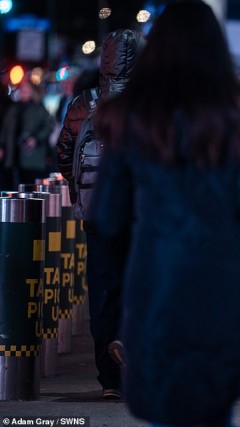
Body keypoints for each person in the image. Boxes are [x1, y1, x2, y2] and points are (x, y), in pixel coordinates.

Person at [90, 1, 240, 426]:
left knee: (162, 401)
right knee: (215, 404)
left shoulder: (130, 116)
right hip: (222, 278)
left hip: (155, 277)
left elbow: (105, 217)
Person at [56, 29, 144, 400]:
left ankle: (109, 380)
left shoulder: (84, 104)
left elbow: (64, 157)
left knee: (104, 292)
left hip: (99, 214)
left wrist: (82, 193)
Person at [0, 79, 53, 189]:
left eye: (26, 89)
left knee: (30, 188)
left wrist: (36, 139)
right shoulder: (13, 108)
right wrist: (2, 145)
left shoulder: (38, 109)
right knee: (12, 187)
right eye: (22, 89)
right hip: (12, 156)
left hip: (32, 159)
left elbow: (49, 126)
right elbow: (5, 129)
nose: (23, 92)